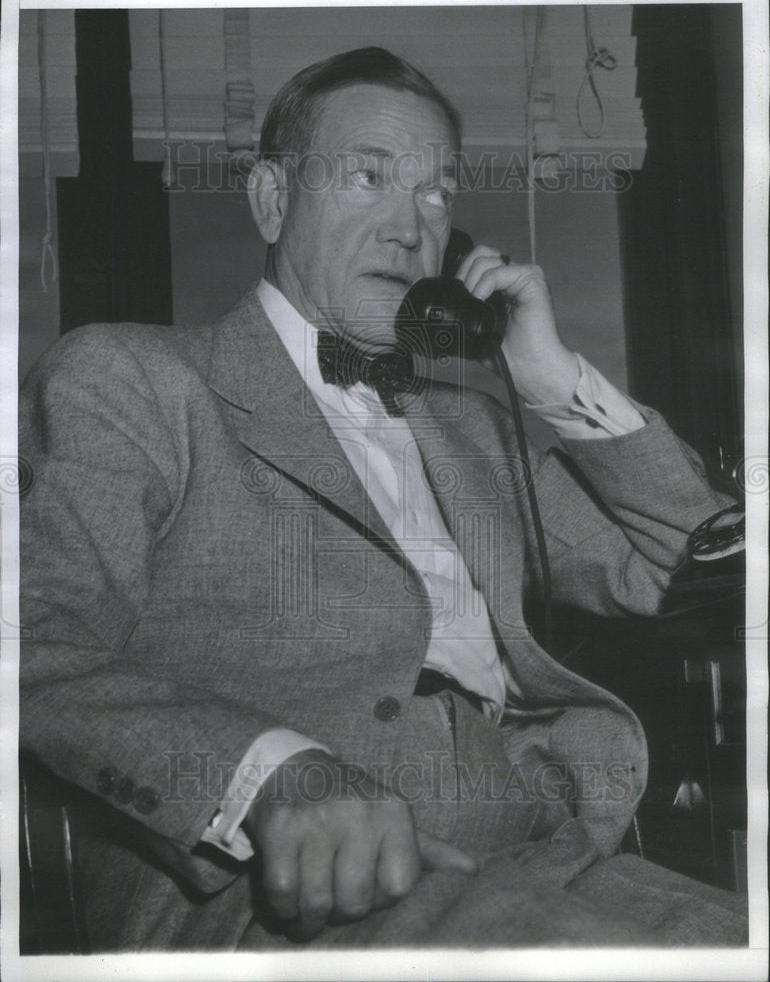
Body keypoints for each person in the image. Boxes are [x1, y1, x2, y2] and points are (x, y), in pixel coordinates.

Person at [19, 46, 748, 949]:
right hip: (282, 889)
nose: (411, 227)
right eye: (369, 176)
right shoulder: (134, 379)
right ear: (273, 200)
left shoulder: (475, 428)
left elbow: (690, 561)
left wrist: (552, 378)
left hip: (546, 850)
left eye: (437, 193)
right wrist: (269, 777)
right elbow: (36, 649)